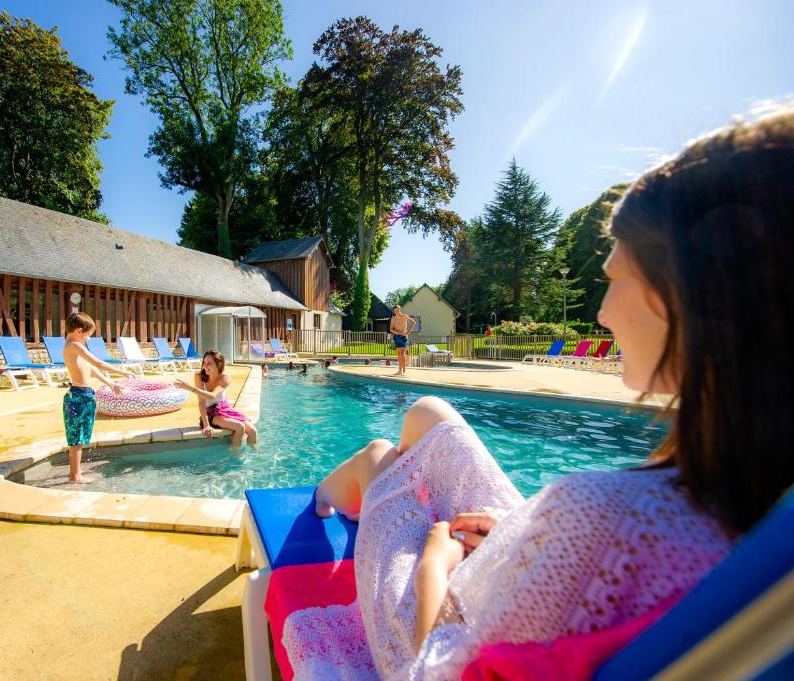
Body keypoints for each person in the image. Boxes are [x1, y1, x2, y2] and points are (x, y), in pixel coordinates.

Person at [297, 111, 794, 678]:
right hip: (519, 580)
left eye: (616, 277)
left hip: (421, 632)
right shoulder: (757, 516)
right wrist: (514, 544)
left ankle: (329, 495)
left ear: (690, 296)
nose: (602, 313)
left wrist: (435, 564)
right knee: (427, 411)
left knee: (384, 454)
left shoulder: (603, 522)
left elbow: (437, 668)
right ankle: (361, 487)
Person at [61, 312, 133, 484]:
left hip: (85, 395)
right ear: (79, 331)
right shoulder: (74, 346)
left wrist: (110, 384)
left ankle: (76, 473)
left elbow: (91, 370)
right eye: (88, 335)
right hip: (78, 395)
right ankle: (74, 476)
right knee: (77, 438)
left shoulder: (76, 347)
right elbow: (98, 363)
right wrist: (122, 371)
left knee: (81, 436)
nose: (88, 339)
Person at [174, 350, 258, 448]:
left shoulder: (225, 378)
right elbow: (201, 402)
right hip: (210, 415)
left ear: (219, 364)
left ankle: (253, 457)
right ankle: (235, 458)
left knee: (253, 431)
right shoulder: (199, 376)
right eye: (204, 363)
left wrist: (191, 388)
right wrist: (206, 425)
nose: (205, 366)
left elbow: (212, 395)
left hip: (225, 411)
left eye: (209, 363)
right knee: (240, 427)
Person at [390, 305, 416, 377]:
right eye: (395, 311)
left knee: (402, 353)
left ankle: (404, 371)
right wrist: (398, 333)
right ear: (394, 311)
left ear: (400, 310)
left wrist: (408, 332)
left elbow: (413, 322)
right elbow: (391, 329)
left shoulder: (404, 316)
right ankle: (399, 370)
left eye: (398, 310)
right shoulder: (393, 318)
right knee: (399, 354)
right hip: (396, 337)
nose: (397, 312)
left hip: (403, 337)